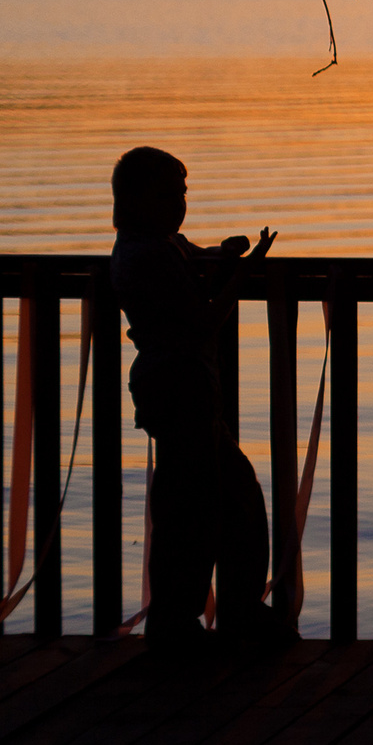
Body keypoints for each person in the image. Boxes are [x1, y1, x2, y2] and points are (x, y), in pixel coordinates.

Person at [109, 146, 289, 652]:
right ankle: (188, 621)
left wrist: (222, 254)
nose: (180, 204)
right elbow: (204, 319)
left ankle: (216, 614)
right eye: (169, 194)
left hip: (181, 387)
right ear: (138, 199)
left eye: (183, 193)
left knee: (217, 499)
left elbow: (190, 256)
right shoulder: (147, 254)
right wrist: (245, 273)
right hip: (178, 387)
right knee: (195, 506)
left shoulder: (155, 244)